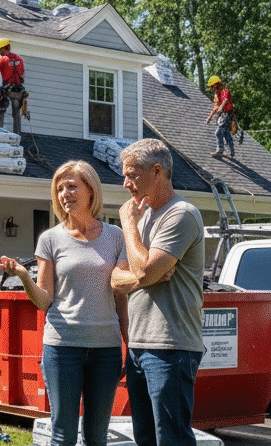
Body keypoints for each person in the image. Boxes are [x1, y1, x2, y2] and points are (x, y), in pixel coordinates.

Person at [0, 160, 127, 446]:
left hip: (106, 351)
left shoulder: (116, 237)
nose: (65, 193)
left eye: (71, 186)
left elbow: (121, 297)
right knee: (63, 434)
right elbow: (44, 300)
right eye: (60, 188)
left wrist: (129, 343)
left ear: (91, 190)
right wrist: (22, 277)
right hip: (62, 349)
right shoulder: (50, 239)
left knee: (96, 435)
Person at [112, 139, 205, 446]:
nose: (126, 183)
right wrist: (147, 274)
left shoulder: (180, 215)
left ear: (157, 171)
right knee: (145, 439)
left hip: (171, 347)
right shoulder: (143, 219)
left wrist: (128, 226)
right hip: (138, 344)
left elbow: (141, 271)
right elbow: (116, 278)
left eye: (132, 175)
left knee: (172, 439)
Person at [0, 38, 26, 135]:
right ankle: (17, 135)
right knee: (16, 114)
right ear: (9, 47)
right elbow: (22, 73)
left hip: (6, 89)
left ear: (2, 49)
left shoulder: (2, 59)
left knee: (0, 110)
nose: (0, 52)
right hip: (17, 90)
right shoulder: (19, 59)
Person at [204, 76, 235, 159]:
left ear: (218, 85)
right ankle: (231, 154)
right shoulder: (216, 96)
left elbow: (225, 100)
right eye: (212, 88)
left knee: (218, 132)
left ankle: (220, 151)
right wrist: (209, 117)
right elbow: (216, 107)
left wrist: (221, 107)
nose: (213, 89)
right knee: (226, 134)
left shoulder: (224, 91)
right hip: (224, 115)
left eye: (214, 87)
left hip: (227, 114)